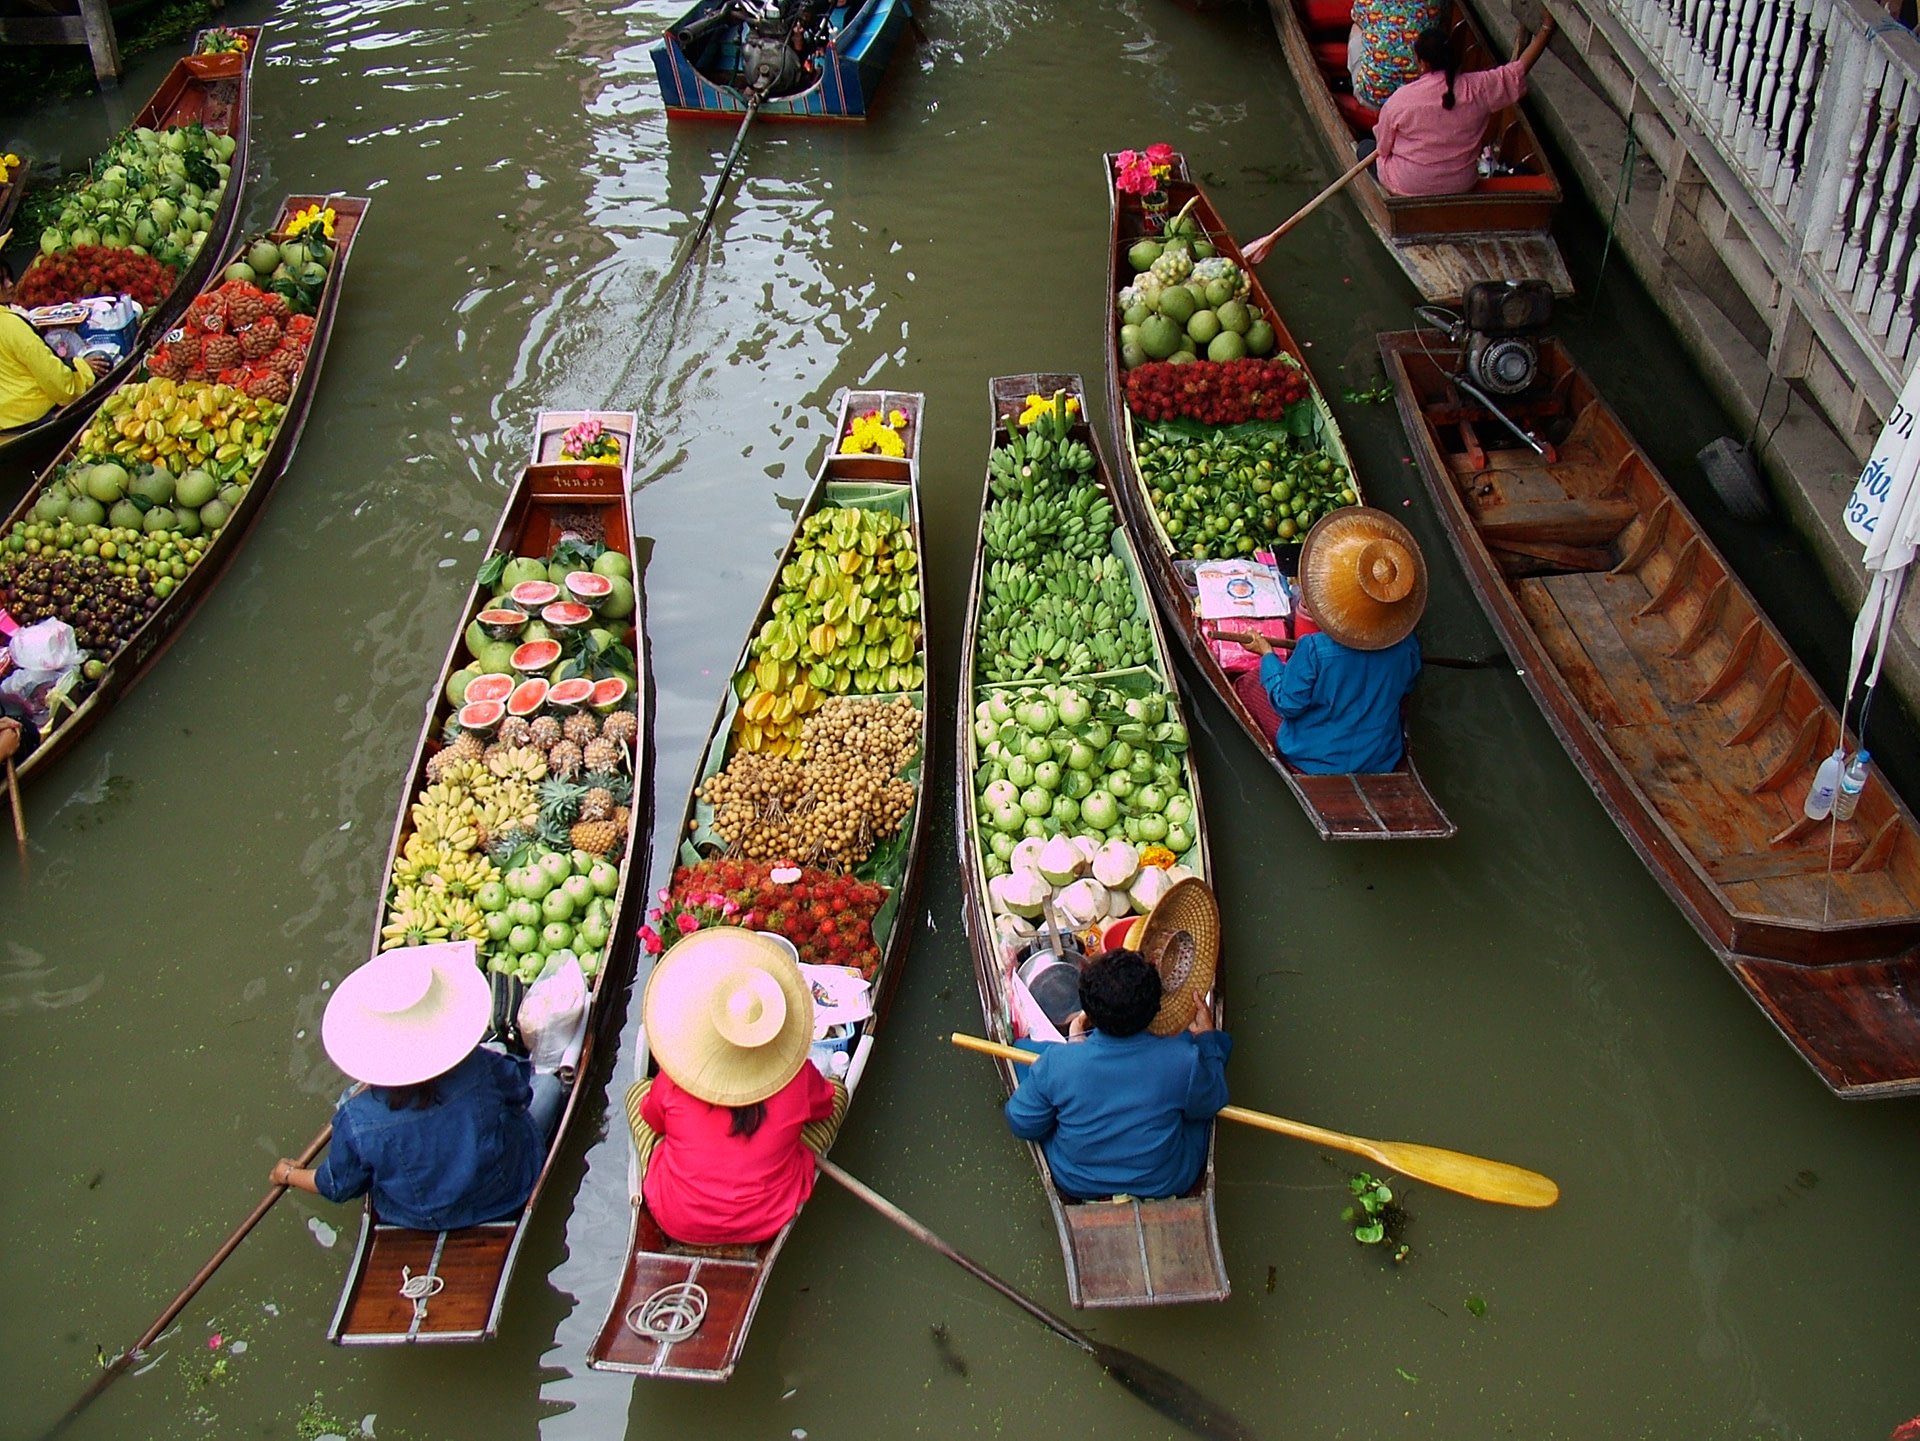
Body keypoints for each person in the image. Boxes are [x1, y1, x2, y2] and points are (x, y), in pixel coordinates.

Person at [269, 941, 563, 1231]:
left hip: (420, 1217)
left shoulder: (356, 1119)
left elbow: (337, 1185)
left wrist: (289, 1174)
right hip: (504, 1191)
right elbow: (521, 1094)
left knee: (350, 1103)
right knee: (547, 1084)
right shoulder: (481, 1066)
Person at [626, 928, 848, 1245]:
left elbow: (653, 1120)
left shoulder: (677, 1080)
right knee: (837, 1092)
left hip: (677, 1215)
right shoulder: (797, 1077)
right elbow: (825, 1106)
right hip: (768, 1216)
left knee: (637, 1093)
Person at [1005, 948, 1230, 1202]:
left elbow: (1022, 1122)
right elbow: (1212, 1100)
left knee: (1023, 1056)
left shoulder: (1058, 1063)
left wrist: (1075, 1051)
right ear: (1157, 1008)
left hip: (1077, 1180)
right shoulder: (1183, 1059)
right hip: (1165, 1180)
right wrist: (1208, 1041)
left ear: (1087, 1011)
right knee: (1198, 1106)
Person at [1226, 507, 1427, 774]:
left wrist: (1266, 655)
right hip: (1381, 756)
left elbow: (1288, 704)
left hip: (1314, 759)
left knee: (1250, 684)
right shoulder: (1407, 645)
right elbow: (1406, 688)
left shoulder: (1314, 649)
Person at [1374, 14, 1556, 196]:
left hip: (1411, 185)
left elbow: (1383, 148)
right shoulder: (1478, 87)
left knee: (1367, 148)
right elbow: (1517, 70)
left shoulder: (1400, 99)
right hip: (1460, 183)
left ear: (1423, 64)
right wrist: (1545, 31)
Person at [0, 260, 109, 431]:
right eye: (2, 281)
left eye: (8, 277)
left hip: (5, 420)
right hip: (32, 416)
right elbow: (57, 382)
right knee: (106, 361)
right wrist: (84, 371)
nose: (10, 284)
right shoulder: (12, 326)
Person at [1346, 0, 1447, 111]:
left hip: (1374, 96)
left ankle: (1359, 77)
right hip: (1420, 98)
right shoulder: (1435, 2)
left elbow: (1356, 15)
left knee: (1357, 27)